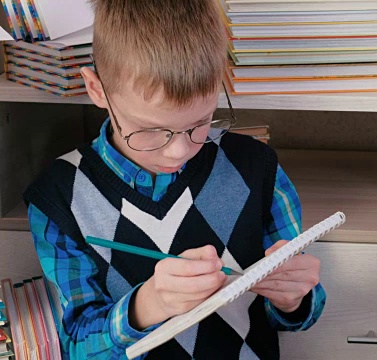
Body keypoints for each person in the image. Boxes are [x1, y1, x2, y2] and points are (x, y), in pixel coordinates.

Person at [23, 0, 325, 358]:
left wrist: (295, 299)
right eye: (150, 130)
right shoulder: (59, 196)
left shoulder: (256, 167)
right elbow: (77, 347)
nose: (178, 151)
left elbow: (297, 317)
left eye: (199, 123)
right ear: (96, 89)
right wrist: (146, 305)